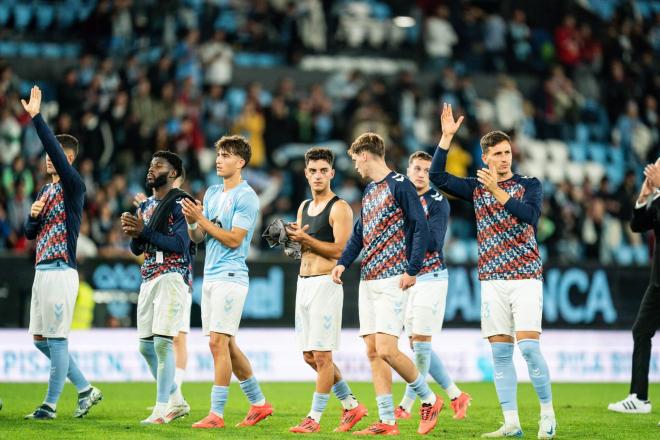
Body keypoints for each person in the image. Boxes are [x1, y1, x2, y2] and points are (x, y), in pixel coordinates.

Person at [429, 104, 556, 439]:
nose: (504, 159)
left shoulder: (529, 183)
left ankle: (547, 415)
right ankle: (511, 422)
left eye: (508, 152)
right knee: (501, 355)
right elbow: (437, 178)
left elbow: (530, 217)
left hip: (526, 276)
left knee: (528, 349)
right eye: (497, 154)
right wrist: (445, 140)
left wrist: (498, 193)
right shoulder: (474, 187)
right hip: (492, 280)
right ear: (485, 158)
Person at [332, 133, 443, 435]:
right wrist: (343, 261)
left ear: (365, 155)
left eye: (355, 159)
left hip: (393, 276)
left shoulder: (400, 185)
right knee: (372, 350)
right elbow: (359, 232)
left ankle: (430, 399)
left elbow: (420, 226)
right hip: (368, 278)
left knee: (387, 349)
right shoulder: (370, 191)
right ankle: (386, 421)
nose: (355, 165)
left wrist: (413, 268)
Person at [21, 86, 102, 420]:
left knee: (55, 340)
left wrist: (38, 118)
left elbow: (51, 147)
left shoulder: (73, 187)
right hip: (42, 270)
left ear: (65, 159)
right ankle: (85, 389)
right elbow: (29, 235)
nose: (46, 160)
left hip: (60, 269)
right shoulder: (44, 190)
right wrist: (32, 216)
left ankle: (49, 406)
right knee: (40, 340)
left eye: (52, 155)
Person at [182, 135, 272, 429]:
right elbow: (199, 237)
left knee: (217, 343)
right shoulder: (211, 193)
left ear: (241, 162)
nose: (218, 159)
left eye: (225, 155)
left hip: (231, 275)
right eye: (218, 154)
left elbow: (234, 239)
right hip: (211, 275)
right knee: (227, 345)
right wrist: (192, 221)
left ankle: (216, 414)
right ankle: (259, 403)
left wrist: (203, 220)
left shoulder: (246, 196)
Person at [286, 147, 368, 433]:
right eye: (313, 170)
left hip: (325, 283)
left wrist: (305, 239)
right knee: (309, 356)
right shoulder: (304, 206)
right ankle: (350, 405)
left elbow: (341, 251)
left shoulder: (340, 207)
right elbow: (301, 248)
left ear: (332, 173)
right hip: (304, 282)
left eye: (323, 170)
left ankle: (314, 418)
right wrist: (290, 242)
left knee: (323, 357)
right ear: (306, 173)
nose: (318, 175)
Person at [394, 151, 472, 420]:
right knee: (416, 345)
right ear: (407, 170)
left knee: (422, 343)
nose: (420, 174)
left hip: (431, 277)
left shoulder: (438, 202)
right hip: (408, 279)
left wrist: (405, 235)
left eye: (427, 170)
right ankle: (456, 395)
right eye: (416, 168)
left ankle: (406, 404)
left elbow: (433, 243)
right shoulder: (401, 198)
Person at [121, 151, 192, 424]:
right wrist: (134, 232)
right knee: (145, 347)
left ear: (173, 173)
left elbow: (181, 245)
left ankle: (162, 410)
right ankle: (176, 400)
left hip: (172, 275)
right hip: (149, 275)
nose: (152, 169)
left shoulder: (181, 202)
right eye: (151, 164)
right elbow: (138, 248)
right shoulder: (146, 205)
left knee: (163, 344)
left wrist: (145, 231)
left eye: (159, 165)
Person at [608, 159, 660, 418]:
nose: (655, 170)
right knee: (641, 331)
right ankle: (639, 397)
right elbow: (638, 226)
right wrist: (644, 196)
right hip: (657, 282)